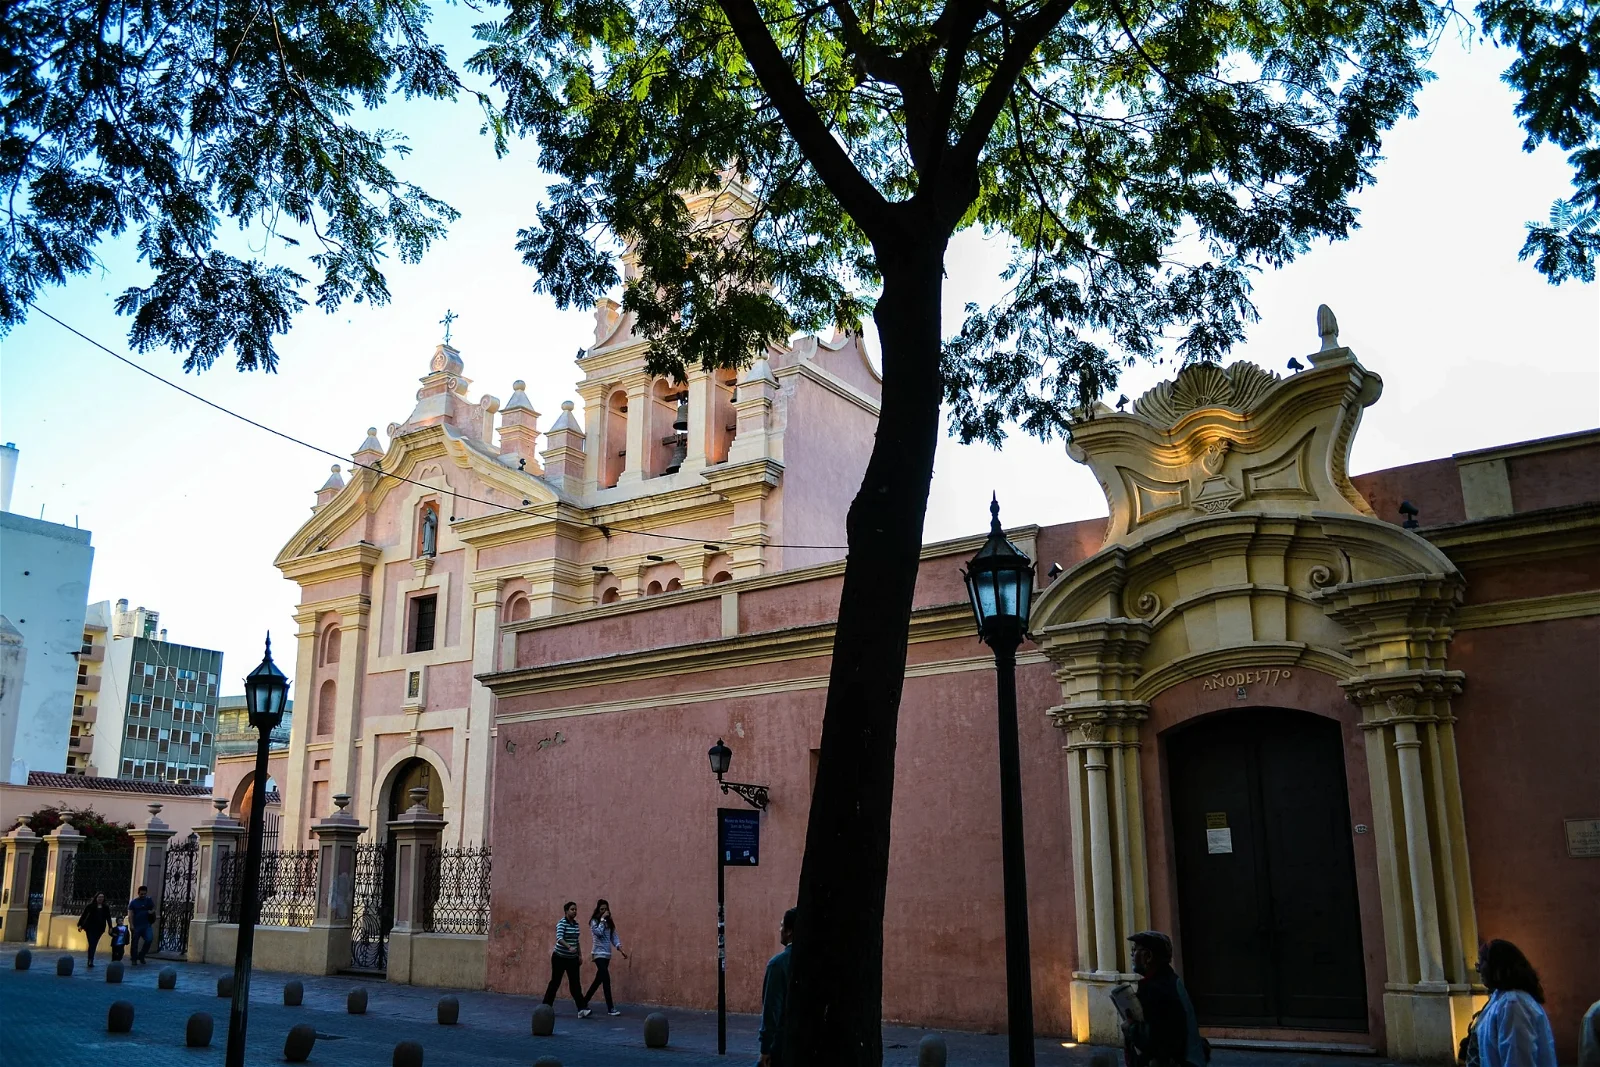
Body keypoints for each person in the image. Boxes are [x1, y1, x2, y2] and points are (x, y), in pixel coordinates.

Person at [1122, 930, 1208, 1067]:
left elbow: (1157, 1039)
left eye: (1135, 950)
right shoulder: (1169, 980)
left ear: (1148, 956)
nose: (1132, 954)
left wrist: (1131, 1028)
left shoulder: (1156, 989)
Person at [1474, 939, 1557, 1067]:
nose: (1478, 969)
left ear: (1497, 966)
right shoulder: (1501, 1000)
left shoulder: (1513, 1005)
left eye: (1482, 962)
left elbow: (1517, 1060)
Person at [758, 907, 797, 1067]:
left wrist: (765, 1048)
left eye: (782, 926)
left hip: (781, 1044)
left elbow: (771, 1010)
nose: (780, 930)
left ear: (789, 931)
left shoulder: (778, 965)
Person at [542, 901, 591, 1018]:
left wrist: (580, 955)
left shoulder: (576, 925)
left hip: (572, 959)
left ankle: (581, 1009)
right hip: (559, 957)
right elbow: (559, 938)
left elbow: (577, 941)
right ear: (566, 911)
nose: (574, 912)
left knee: (575, 984)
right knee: (555, 982)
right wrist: (569, 947)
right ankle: (545, 1007)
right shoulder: (561, 923)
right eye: (572, 909)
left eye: (575, 909)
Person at [583, 899, 629, 1016]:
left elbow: (614, 937)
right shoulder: (594, 922)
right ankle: (610, 1008)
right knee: (606, 980)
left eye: (606, 909)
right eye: (602, 909)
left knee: (598, 981)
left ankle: (583, 1002)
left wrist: (620, 949)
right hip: (598, 954)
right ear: (598, 910)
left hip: (607, 955)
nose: (604, 911)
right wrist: (602, 920)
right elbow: (598, 933)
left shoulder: (610, 923)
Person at [76, 892, 112, 969]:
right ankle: (90, 960)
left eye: (102, 897)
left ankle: (90, 958)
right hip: (90, 927)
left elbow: (108, 918)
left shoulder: (105, 907)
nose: (101, 899)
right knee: (92, 943)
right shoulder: (90, 906)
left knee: (94, 943)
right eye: (99, 897)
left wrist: (110, 927)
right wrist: (80, 925)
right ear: (96, 898)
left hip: (99, 928)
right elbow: (84, 916)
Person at [126, 884, 156, 964]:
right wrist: (131, 924)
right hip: (136, 925)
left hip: (146, 925)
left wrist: (151, 912)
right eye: (141, 894)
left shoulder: (148, 900)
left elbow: (153, 908)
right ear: (138, 893)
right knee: (135, 942)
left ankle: (142, 955)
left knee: (149, 939)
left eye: (144, 894)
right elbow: (130, 914)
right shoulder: (133, 903)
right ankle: (134, 959)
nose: (143, 895)